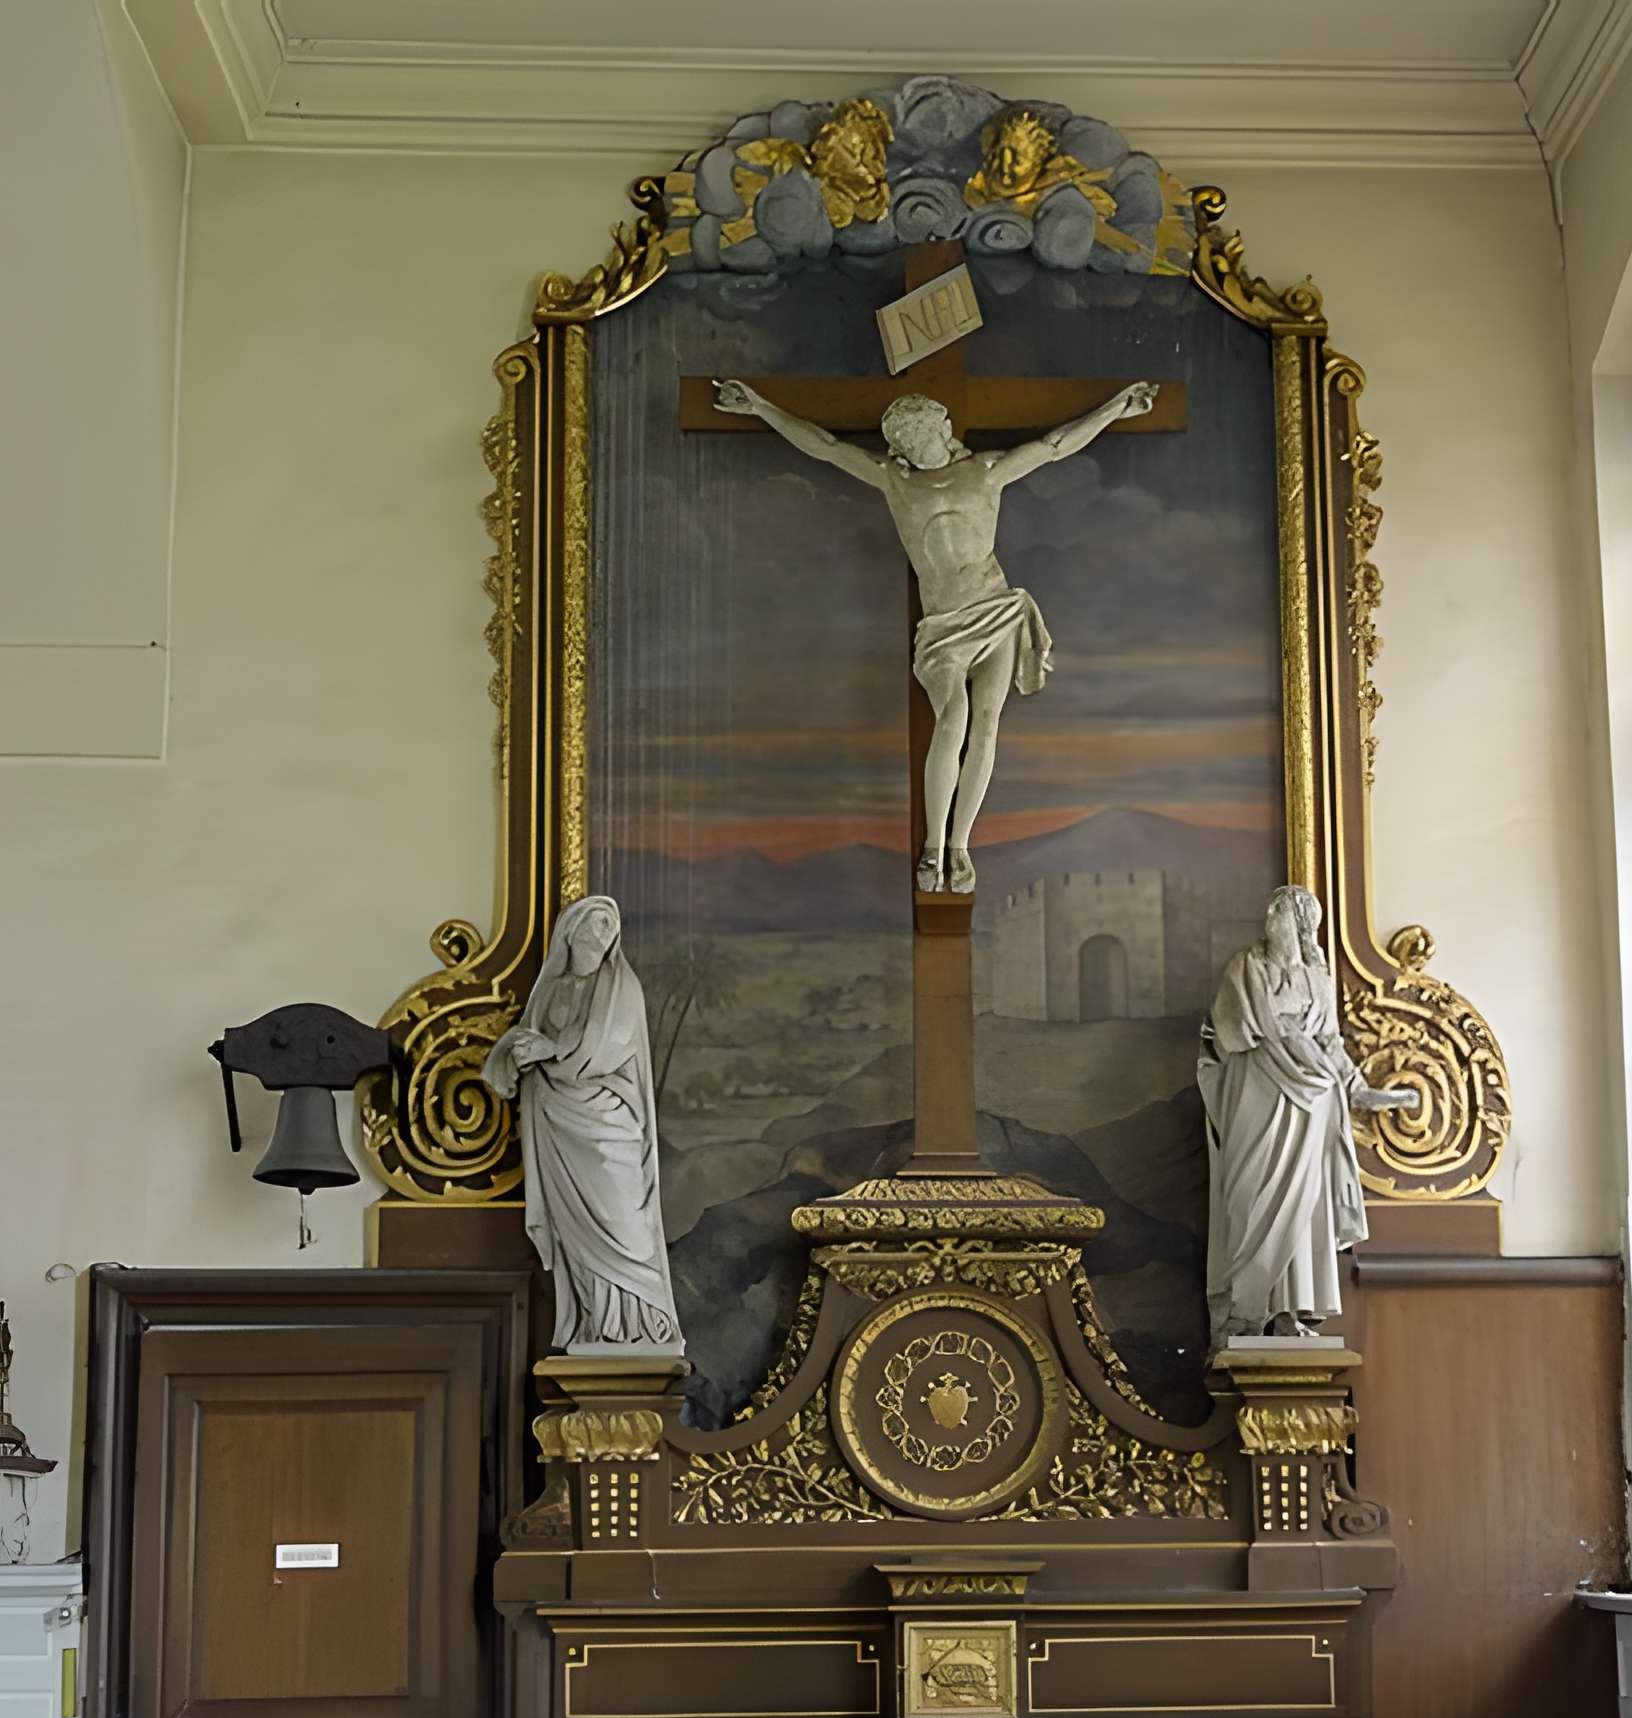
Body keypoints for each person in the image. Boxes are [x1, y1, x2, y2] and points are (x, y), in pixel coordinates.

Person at [713, 374, 1157, 894]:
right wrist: (761, 407)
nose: (909, 447)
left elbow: (1054, 445)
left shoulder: (985, 472)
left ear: (940, 429)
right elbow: (826, 447)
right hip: (943, 627)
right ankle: (933, 844)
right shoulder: (896, 480)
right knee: (953, 717)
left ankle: (959, 847)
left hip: (994, 610)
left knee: (986, 726)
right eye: (902, 442)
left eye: (916, 435)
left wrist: (1114, 409)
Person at [1197, 885, 1408, 1346]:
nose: (1270, 917)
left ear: (1300, 923)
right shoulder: (1245, 968)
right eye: (1271, 909)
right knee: (1249, 1197)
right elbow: (1227, 1031)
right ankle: (1243, 1312)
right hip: (1256, 1094)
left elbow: (1331, 1042)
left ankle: (1287, 1313)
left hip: (1312, 1100)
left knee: (1305, 1204)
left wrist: (1360, 1088)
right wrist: (1283, 1037)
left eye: (1281, 910)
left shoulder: (1317, 978)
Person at [481, 895, 682, 1352]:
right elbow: (530, 1041)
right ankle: (599, 1324)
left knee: (622, 1217)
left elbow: (610, 1047)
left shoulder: (621, 987)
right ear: (570, 932)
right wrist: (517, 1052)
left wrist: (551, 1051)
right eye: (595, 922)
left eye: (610, 924)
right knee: (576, 1231)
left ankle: (640, 1319)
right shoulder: (549, 990)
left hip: (608, 1119)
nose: (604, 931)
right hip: (558, 1121)